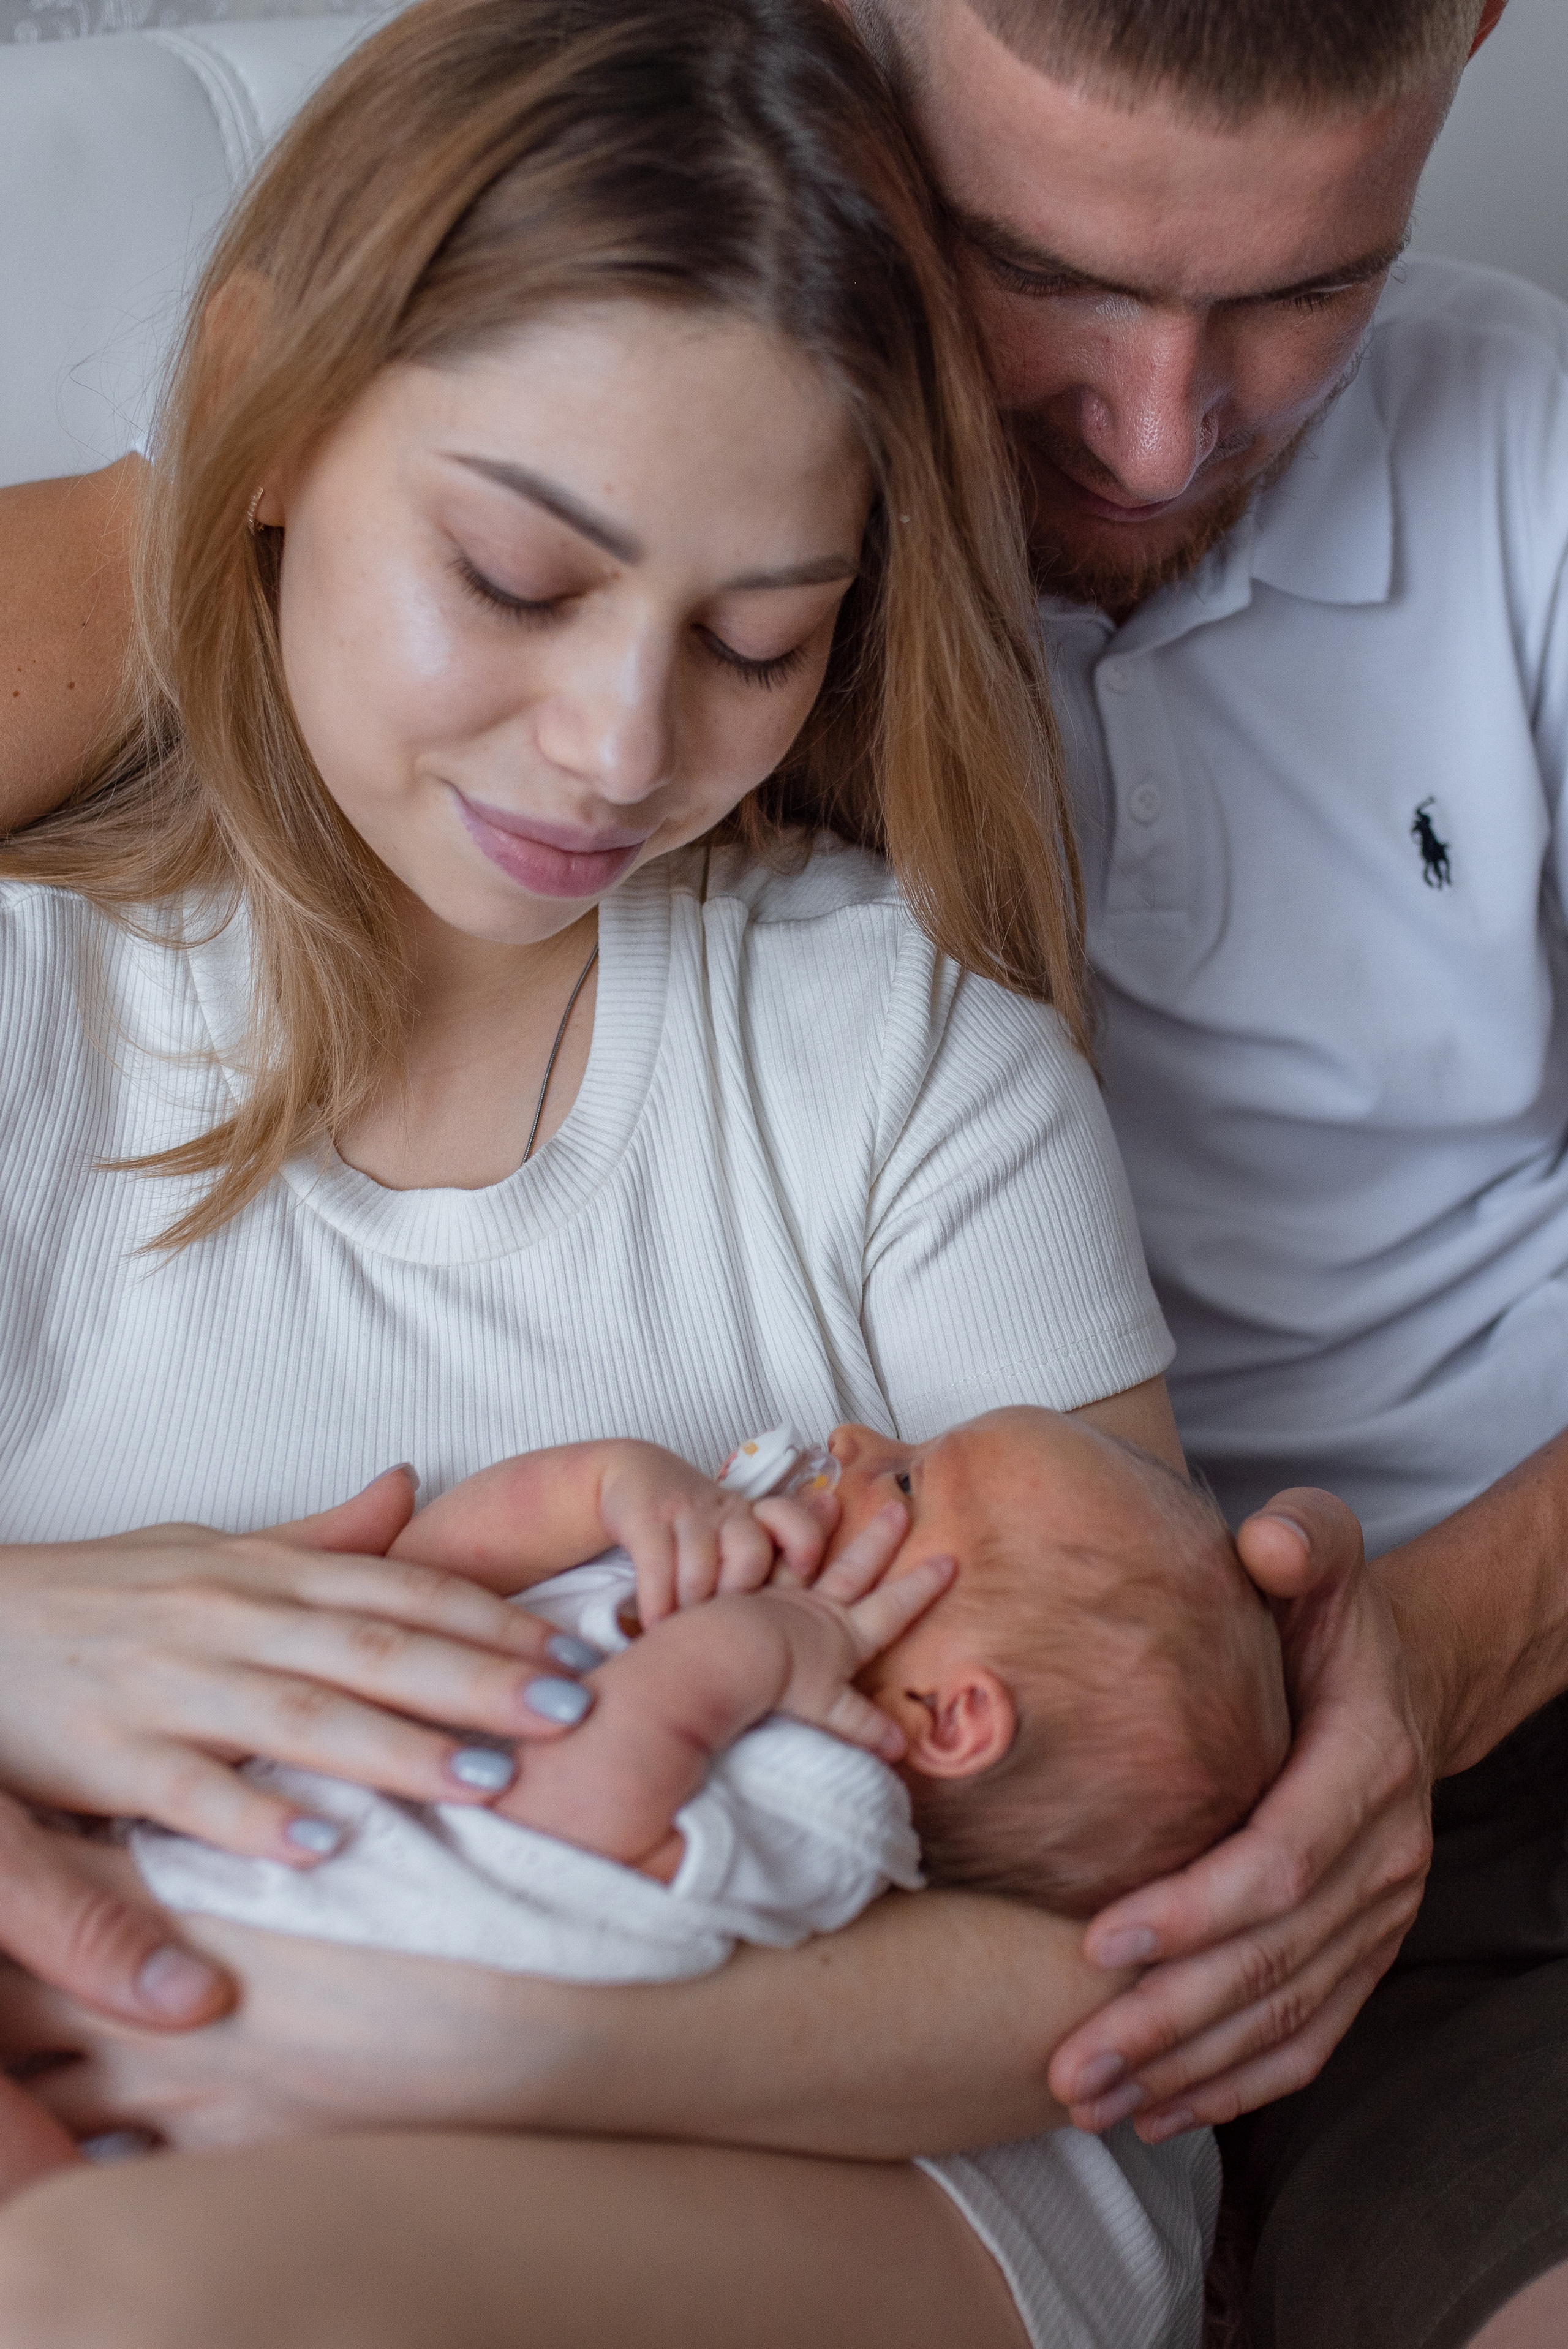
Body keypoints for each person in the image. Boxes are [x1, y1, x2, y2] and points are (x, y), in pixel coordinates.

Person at [9, 0, 1563, 2342]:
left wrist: (474, 2041)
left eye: (759, 642)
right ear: (266, 431)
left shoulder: (895, 1040)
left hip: (868, 2108)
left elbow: (1097, 1919)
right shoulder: (53, 1018)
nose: (624, 747)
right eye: (517, 583)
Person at [121, 1411, 1286, 1986]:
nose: (855, 1434)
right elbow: (419, 1590)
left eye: (911, 1479)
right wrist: (608, 1487)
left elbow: (553, 1806)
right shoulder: (727, 1609)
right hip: (155, 1825)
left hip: (217, 1956)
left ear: (947, 1717)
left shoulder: (822, 1819)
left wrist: (754, 1650)